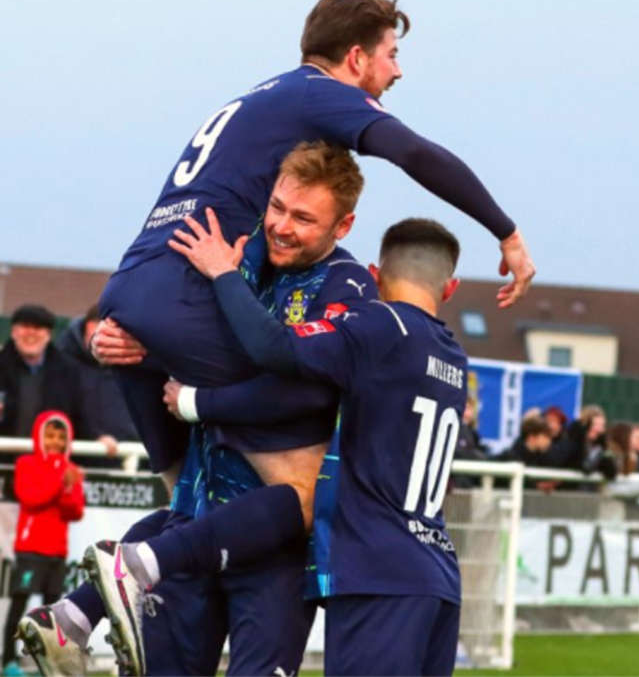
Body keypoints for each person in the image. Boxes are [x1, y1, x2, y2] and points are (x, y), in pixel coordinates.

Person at [93, 0, 534, 495]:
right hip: (188, 292)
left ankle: (152, 562)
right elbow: (413, 152)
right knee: (303, 482)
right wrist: (506, 230)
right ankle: (154, 564)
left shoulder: (261, 97)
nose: (397, 72)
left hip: (131, 290)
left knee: (187, 495)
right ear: (356, 58)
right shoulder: (320, 94)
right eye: (392, 55)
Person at [25, 142, 376, 676]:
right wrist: (118, 348)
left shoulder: (346, 285)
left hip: (273, 551)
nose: (281, 225)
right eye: (278, 207)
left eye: (304, 218)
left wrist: (197, 396)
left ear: (343, 226)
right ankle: (82, 609)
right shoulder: (231, 247)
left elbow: (306, 389)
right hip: (191, 522)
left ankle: (82, 607)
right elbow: (161, 329)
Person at [88, 217, 467, 676]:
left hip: (376, 566)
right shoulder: (452, 354)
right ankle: (112, 584)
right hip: (438, 569)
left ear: (373, 276)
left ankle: (136, 567)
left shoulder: (376, 326)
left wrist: (197, 390)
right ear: (451, 289)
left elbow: (277, 350)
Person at [3, 411, 84, 677]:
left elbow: (74, 512)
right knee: (19, 604)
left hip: (57, 551)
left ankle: (46, 663)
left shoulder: (71, 470)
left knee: (52, 613)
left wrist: (70, 488)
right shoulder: (26, 463)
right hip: (30, 548)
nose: (55, 442)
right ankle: (8, 662)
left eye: (61, 437)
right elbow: (31, 498)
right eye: (50, 435)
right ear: (39, 435)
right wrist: (61, 482)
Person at [56, 305, 139, 466]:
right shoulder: (65, 366)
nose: (99, 343)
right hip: (78, 462)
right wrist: (95, 437)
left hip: (128, 458)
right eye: (93, 336)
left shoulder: (133, 367)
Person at [0, 306, 84, 464]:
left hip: (49, 468)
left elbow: (81, 416)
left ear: (48, 334)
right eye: (25, 326)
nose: (31, 333)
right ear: (13, 332)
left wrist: (100, 436)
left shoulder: (68, 371)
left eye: (38, 327)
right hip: (4, 464)